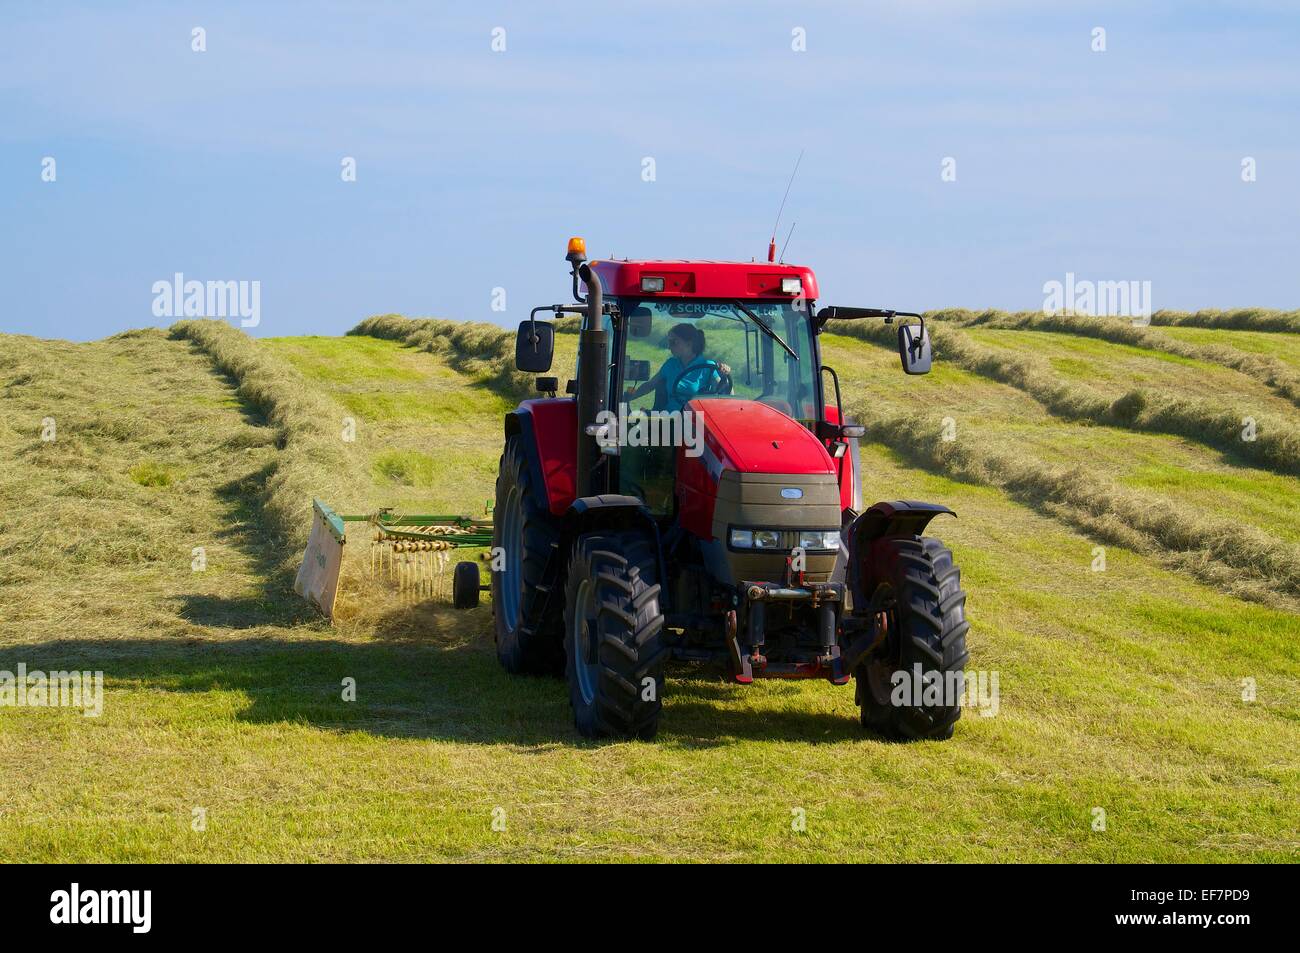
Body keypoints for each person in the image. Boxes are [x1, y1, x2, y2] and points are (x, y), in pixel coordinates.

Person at [625, 323, 729, 412]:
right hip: (669, 420)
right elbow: (650, 385)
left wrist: (725, 375)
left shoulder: (708, 367)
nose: (669, 346)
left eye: (673, 342)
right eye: (669, 342)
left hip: (696, 422)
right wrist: (627, 398)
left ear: (689, 344)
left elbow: (726, 394)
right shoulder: (670, 364)